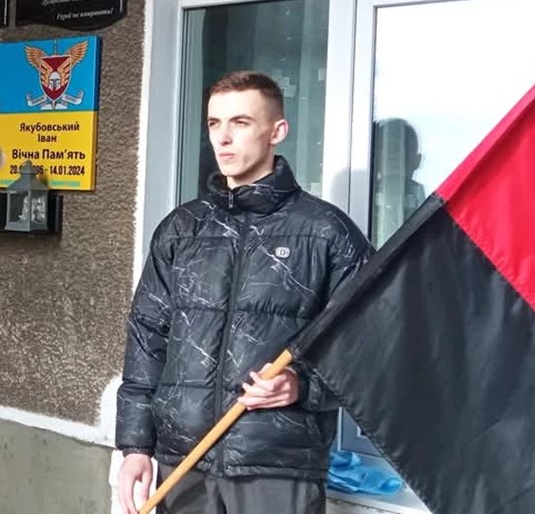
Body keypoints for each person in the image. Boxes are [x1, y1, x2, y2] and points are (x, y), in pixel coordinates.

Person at [116, 72, 372, 514]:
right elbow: (146, 339)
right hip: (183, 462)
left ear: (277, 131)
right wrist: (135, 446)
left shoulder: (327, 233)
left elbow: (371, 346)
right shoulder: (181, 230)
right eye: (214, 124)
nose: (223, 138)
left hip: (277, 467)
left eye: (240, 122)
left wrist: (303, 386)